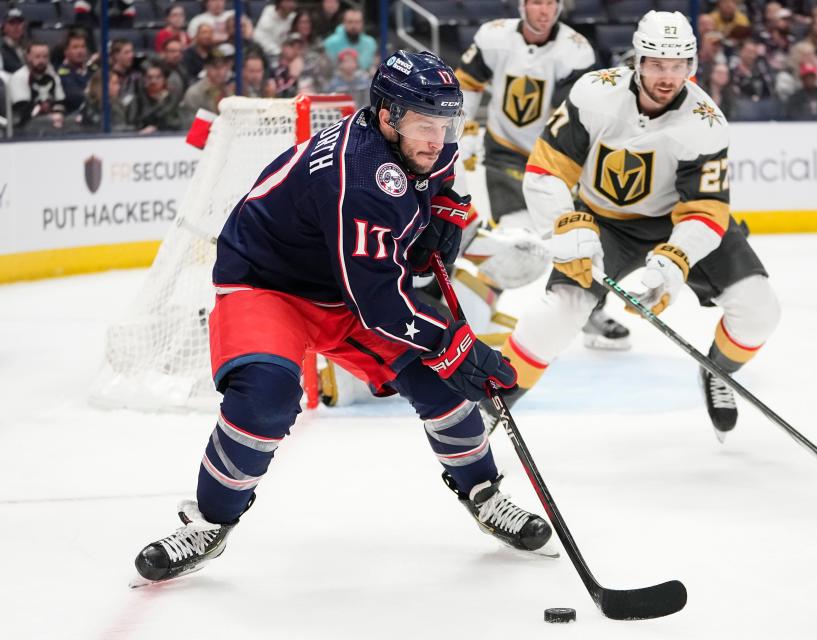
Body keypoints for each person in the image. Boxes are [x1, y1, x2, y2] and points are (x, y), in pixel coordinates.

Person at [133, 49, 552, 584]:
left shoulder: (420, 142)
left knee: (443, 385)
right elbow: (381, 305)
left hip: (345, 285)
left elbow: (437, 178)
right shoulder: (361, 176)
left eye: (446, 124)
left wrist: (446, 208)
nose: (438, 139)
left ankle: (484, 493)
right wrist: (456, 343)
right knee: (266, 397)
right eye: (426, 125)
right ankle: (209, 521)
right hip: (269, 283)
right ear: (387, 116)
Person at [483, 11, 780, 440]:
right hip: (602, 221)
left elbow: (706, 207)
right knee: (560, 312)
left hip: (676, 222)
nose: (667, 76)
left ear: (691, 66)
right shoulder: (594, 94)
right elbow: (547, 169)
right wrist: (565, 224)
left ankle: (719, 370)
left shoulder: (706, 124)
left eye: (678, 65)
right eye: (658, 64)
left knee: (759, 309)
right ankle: (493, 402)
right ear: (637, 61)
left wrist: (678, 258)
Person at [454, 0, 632, 350]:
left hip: (554, 158)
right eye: (537, 1)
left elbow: (579, 114)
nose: (545, 10)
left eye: (552, 2)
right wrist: (466, 129)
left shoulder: (576, 51)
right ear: (522, 5)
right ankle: (471, 313)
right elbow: (467, 83)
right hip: (503, 153)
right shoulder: (495, 37)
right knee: (514, 240)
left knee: (582, 237)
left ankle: (590, 312)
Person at [9, 42, 67, 135]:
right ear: (28, 57)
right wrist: (42, 110)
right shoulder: (19, 77)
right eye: (37, 57)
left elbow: (60, 101)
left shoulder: (52, 75)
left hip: (52, 125)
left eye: (45, 57)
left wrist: (58, 114)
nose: (41, 61)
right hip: (25, 127)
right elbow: (20, 109)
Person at [323, 5, 378, 73]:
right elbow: (328, 70)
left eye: (357, 22)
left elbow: (369, 68)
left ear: (362, 23)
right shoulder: (330, 43)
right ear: (343, 23)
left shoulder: (370, 43)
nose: (353, 26)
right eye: (350, 22)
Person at [57, 30, 91, 115]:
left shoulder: (93, 70)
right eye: (75, 47)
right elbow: (76, 97)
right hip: (72, 119)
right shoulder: (63, 74)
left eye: (83, 47)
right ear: (66, 51)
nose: (80, 51)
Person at [1, 8, 27, 74]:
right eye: (12, 23)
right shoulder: (1, 49)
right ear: (4, 27)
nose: (16, 26)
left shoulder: (29, 47)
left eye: (19, 22)